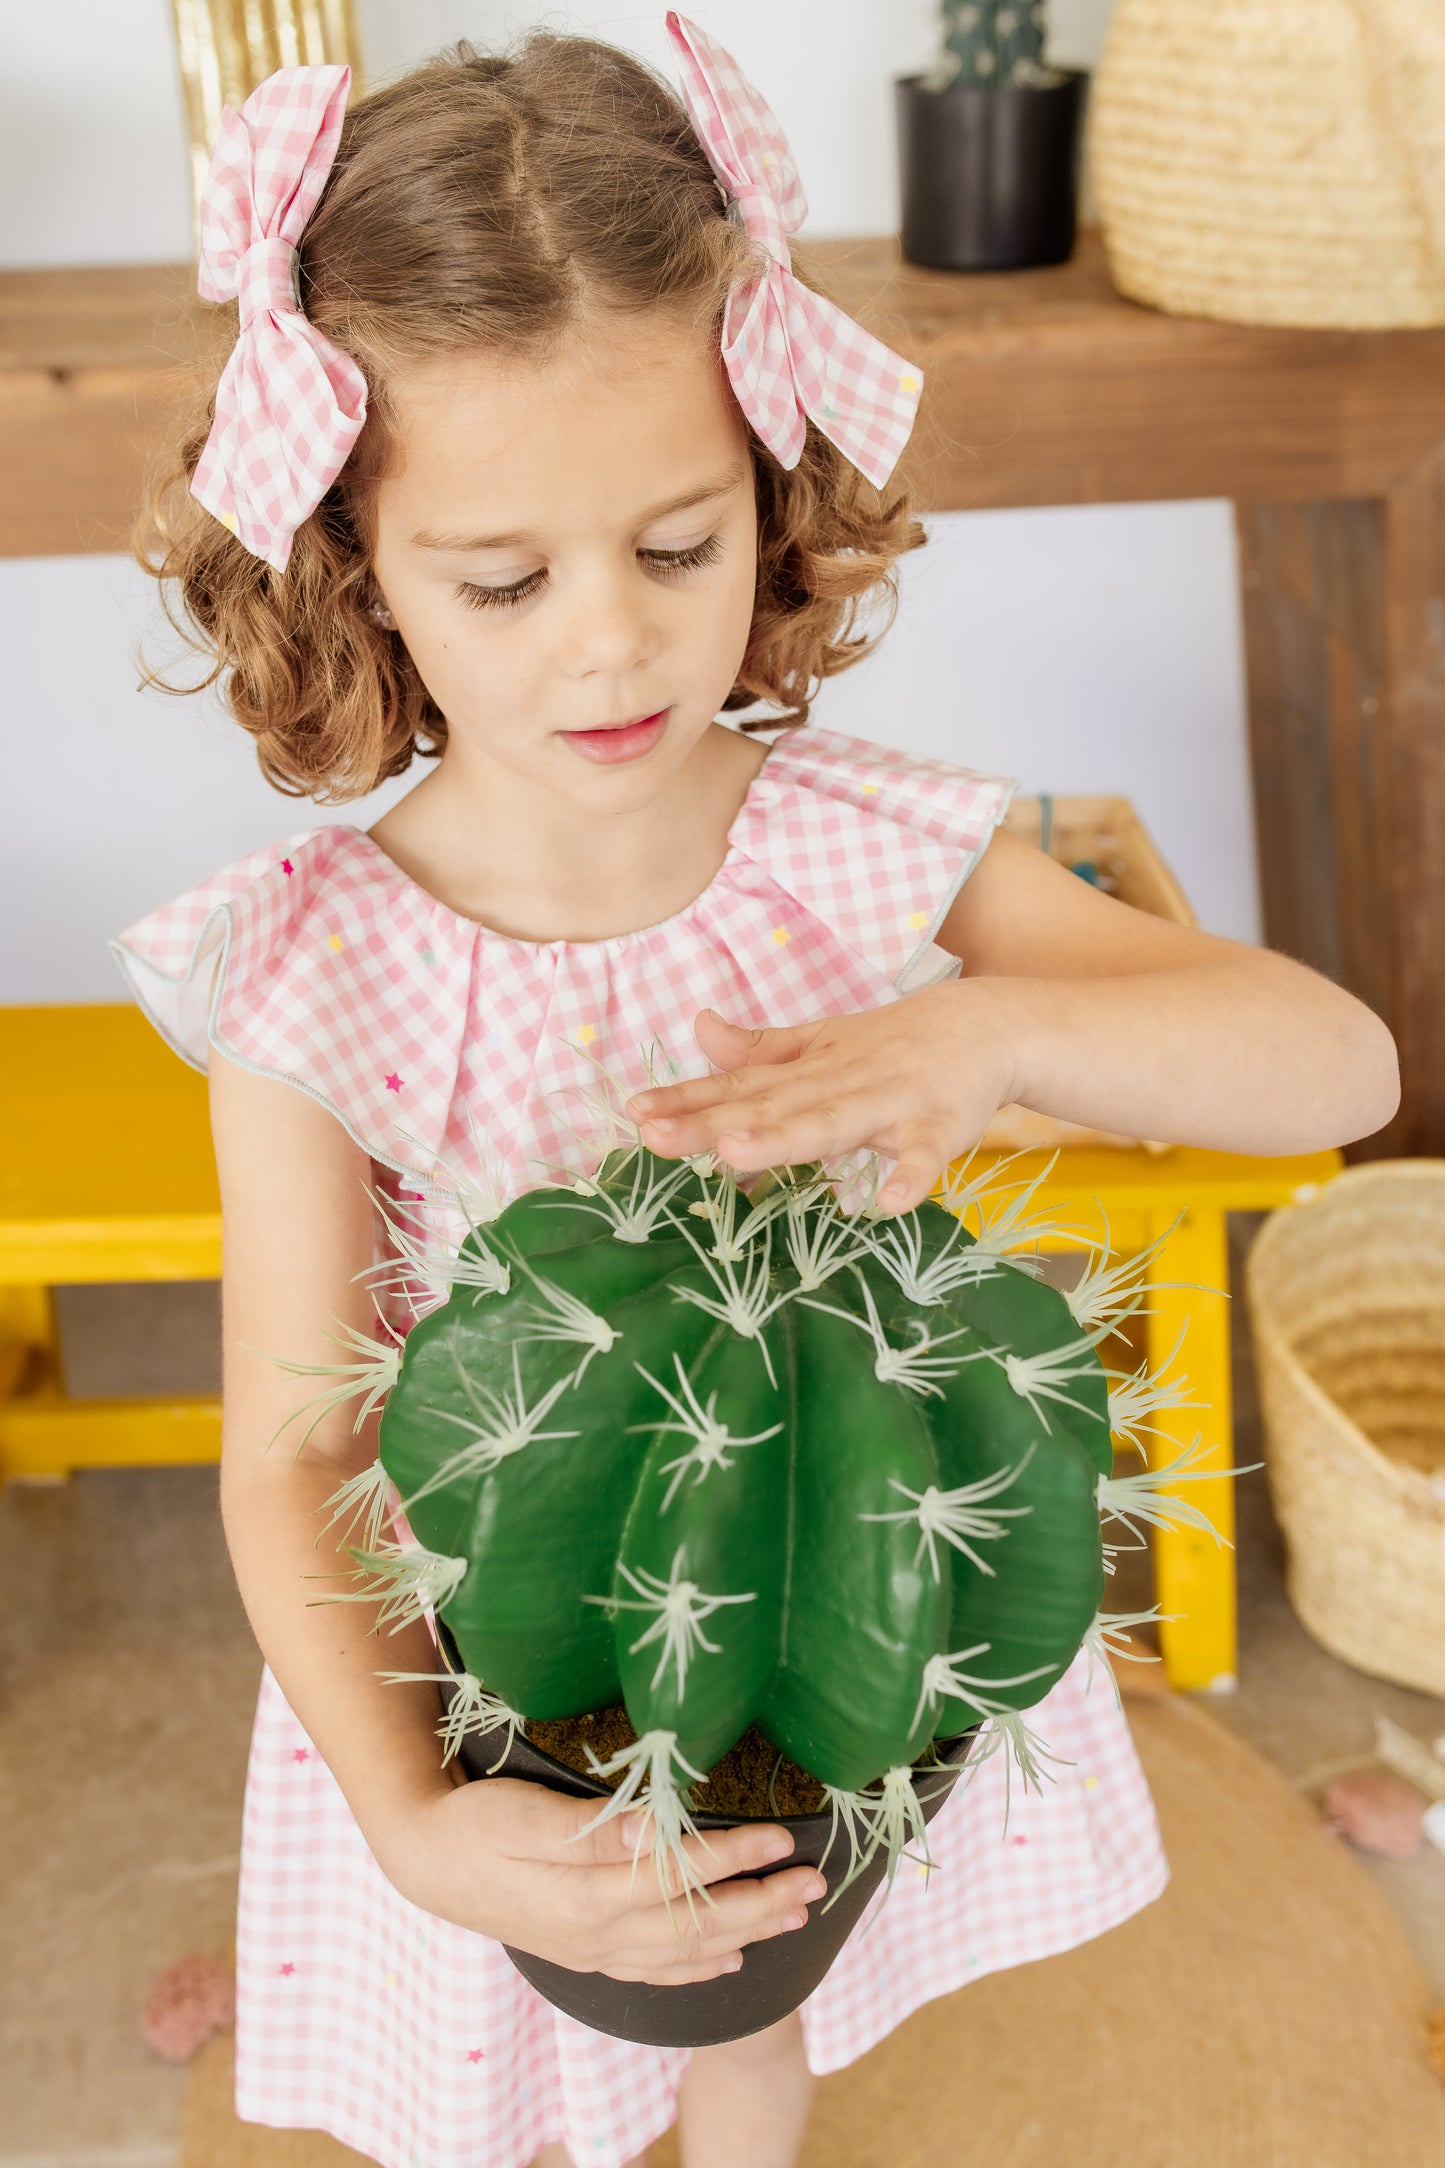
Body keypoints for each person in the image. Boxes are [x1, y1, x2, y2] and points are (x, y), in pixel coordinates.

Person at [114, 18, 1398, 2168]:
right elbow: (296, 1448)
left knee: (751, 2006)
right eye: (502, 579)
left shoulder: (854, 843)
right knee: (499, 2047)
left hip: (818, 1602)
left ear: (772, 486)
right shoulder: (319, 967)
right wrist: (415, 1821)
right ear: (355, 561)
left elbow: (1336, 1067)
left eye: (678, 545)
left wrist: (993, 1033)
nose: (609, 646)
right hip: (500, 1661)